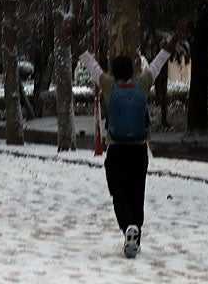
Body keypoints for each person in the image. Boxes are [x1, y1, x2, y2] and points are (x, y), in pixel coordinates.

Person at [72, 20, 186, 258]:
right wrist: (177, 35)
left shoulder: (108, 85)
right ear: (132, 71)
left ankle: (127, 228)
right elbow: (161, 58)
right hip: (139, 150)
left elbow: (88, 61)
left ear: (113, 71)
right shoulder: (142, 83)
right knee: (137, 192)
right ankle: (134, 234)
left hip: (116, 151)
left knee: (119, 193)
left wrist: (70, 38)